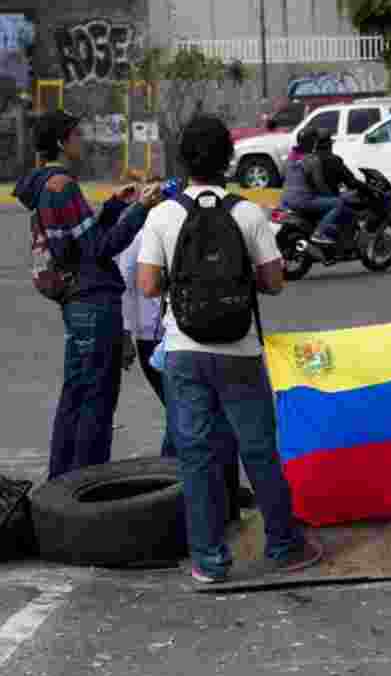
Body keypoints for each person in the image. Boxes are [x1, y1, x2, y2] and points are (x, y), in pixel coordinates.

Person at [137, 114, 322, 584]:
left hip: (183, 352)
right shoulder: (248, 212)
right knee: (258, 448)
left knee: (196, 453)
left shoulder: (163, 214)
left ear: (185, 160)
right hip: (239, 351)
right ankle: (283, 545)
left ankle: (209, 560)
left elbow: (146, 285)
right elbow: (275, 282)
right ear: (228, 160)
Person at [14, 110, 163, 480]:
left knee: (76, 395)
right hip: (93, 301)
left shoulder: (45, 184)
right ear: (64, 142)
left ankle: (61, 483)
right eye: (77, 134)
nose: (82, 140)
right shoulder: (62, 185)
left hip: (77, 303)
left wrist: (114, 206)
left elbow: (80, 240)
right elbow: (100, 247)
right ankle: (86, 486)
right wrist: (141, 209)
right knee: (96, 401)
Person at [117, 176, 175, 460]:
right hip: (150, 338)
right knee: (181, 413)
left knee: (184, 413)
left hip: (176, 335)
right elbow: (123, 286)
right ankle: (172, 481)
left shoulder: (172, 229)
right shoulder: (138, 237)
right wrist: (125, 334)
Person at [307, 128, 375, 248]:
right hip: (326, 199)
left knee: (345, 198)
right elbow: (351, 182)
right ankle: (346, 244)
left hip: (311, 199)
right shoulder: (333, 160)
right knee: (352, 213)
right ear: (329, 144)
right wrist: (368, 188)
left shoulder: (309, 159)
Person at [279, 127, 342, 240]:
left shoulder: (289, 157)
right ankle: (318, 233)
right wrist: (332, 196)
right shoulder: (312, 160)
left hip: (284, 201)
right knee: (338, 203)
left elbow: (283, 176)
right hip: (302, 201)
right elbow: (320, 184)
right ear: (313, 142)